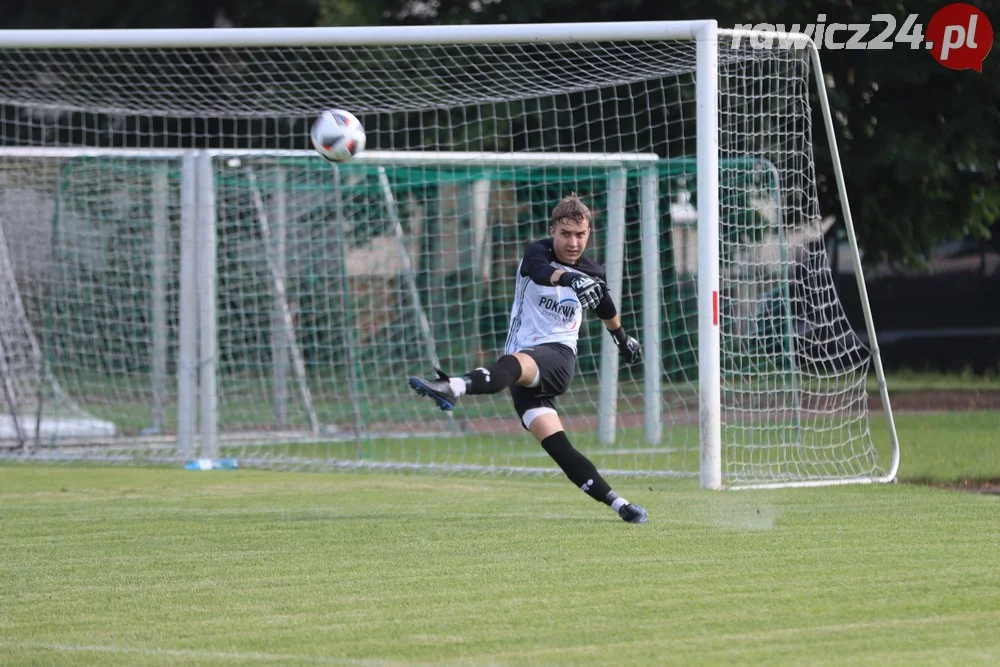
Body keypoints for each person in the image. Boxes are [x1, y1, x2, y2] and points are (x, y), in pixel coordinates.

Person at [407, 194, 647, 524]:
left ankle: (453, 387)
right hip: (524, 367)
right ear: (553, 231)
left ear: (589, 233)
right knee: (560, 449)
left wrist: (622, 339)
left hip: (558, 358)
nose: (573, 242)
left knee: (514, 363)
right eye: (565, 234)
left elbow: (605, 307)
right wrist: (570, 278)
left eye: (580, 234)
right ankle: (621, 505)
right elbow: (538, 271)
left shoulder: (593, 272)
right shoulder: (538, 252)